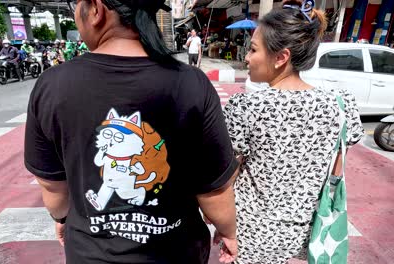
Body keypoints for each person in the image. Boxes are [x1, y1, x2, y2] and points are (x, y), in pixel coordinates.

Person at [24, 0, 239, 263]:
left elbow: (52, 186)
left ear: (96, 9)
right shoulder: (191, 82)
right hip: (176, 252)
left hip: (90, 253)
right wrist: (229, 231)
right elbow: (214, 188)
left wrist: (62, 217)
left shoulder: (53, 85)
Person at [223, 0, 365, 263]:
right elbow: (337, 167)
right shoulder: (340, 104)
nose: (246, 58)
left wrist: (222, 225)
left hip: (251, 232)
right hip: (306, 229)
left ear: (281, 57)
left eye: (253, 50)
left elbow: (226, 175)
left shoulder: (248, 106)